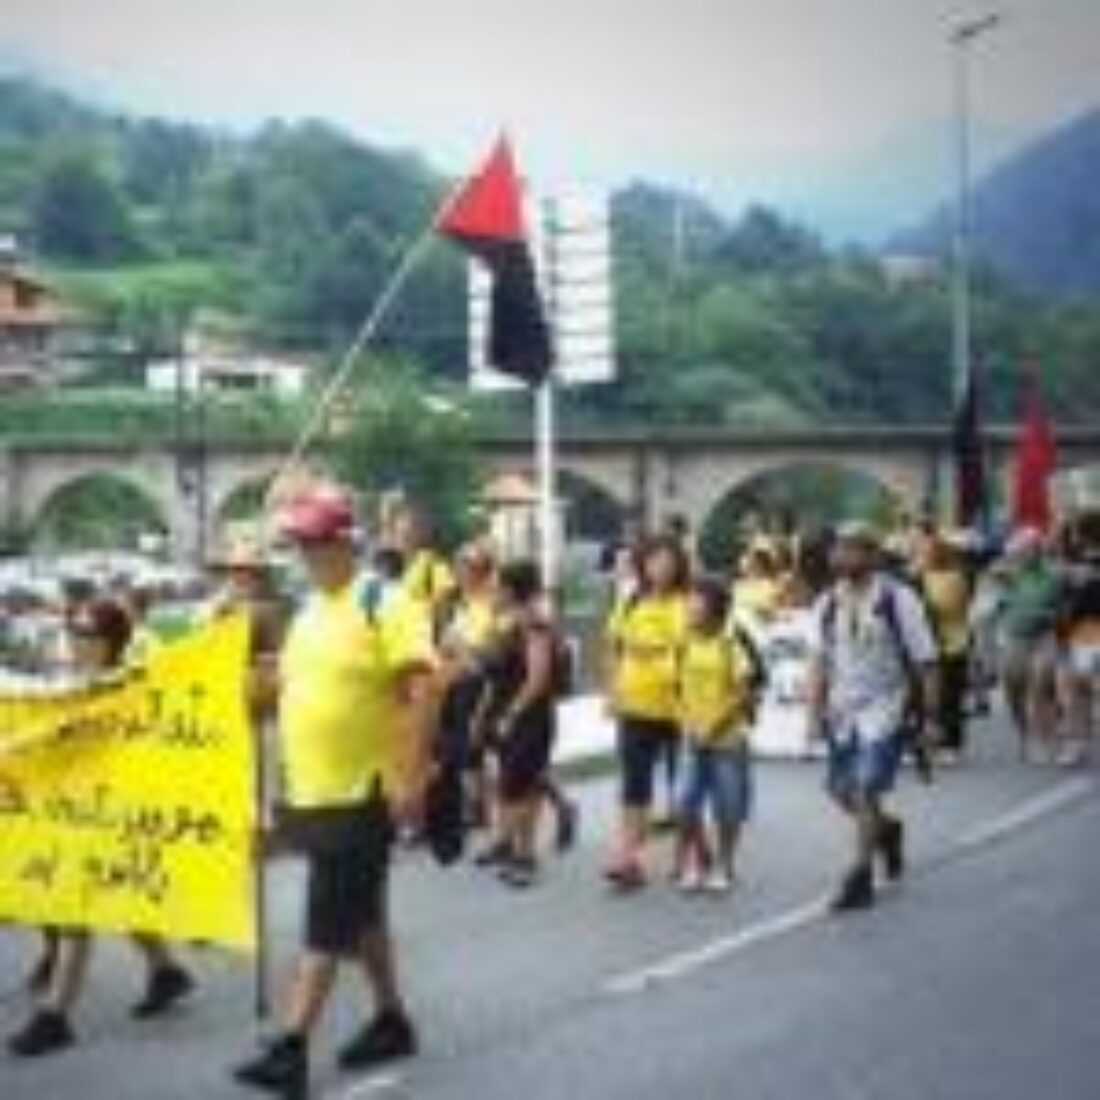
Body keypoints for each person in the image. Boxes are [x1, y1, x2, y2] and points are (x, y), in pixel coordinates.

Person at [234, 483, 436, 1097]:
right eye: (301, 543)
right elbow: (284, 691)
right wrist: (244, 677)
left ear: (346, 539)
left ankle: (292, 1047)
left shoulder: (384, 599)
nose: (309, 553)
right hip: (313, 792)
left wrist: (409, 776)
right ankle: (392, 1020)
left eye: (319, 540)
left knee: (325, 922)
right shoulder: (309, 612)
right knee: (362, 915)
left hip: (363, 791)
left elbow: (423, 690)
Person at [8, 598, 196, 1058]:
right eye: (74, 634)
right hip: (77, 811)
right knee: (118, 899)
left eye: (89, 637)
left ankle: (55, 1015)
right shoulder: (71, 683)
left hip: (114, 812)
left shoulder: (121, 687)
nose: (78, 644)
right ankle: (166, 970)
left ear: (112, 643)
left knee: (78, 908)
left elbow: (64, 731)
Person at [806, 522, 940, 913]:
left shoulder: (898, 600)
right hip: (842, 708)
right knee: (839, 789)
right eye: (838, 549)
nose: (841, 556)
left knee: (866, 787)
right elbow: (818, 662)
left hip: (887, 705)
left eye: (851, 549)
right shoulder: (827, 604)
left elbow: (927, 663)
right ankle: (887, 830)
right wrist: (813, 714)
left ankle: (860, 875)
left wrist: (930, 720)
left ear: (871, 555)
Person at [603, 534, 690, 889]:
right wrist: (612, 691)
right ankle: (629, 858)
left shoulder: (688, 602)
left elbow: (695, 647)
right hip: (635, 705)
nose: (661, 566)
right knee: (634, 783)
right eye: (654, 559)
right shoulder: (630, 600)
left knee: (682, 785)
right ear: (643, 563)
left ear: (679, 564)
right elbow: (612, 647)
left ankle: (689, 855)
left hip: (679, 707)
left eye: (668, 560)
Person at [472, 560, 563, 888]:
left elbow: (537, 678)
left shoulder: (535, 624)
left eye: (499, 584)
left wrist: (511, 714)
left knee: (520, 786)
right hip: (505, 714)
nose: (494, 589)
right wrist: (482, 713)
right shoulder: (508, 621)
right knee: (509, 782)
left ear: (512, 589)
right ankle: (509, 844)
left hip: (530, 718)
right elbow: (495, 675)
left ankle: (523, 855)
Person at [673, 577, 756, 895]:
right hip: (692, 739)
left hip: (727, 742)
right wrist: (686, 722)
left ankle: (724, 865)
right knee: (684, 803)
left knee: (727, 806)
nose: (691, 605)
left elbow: (745, 694)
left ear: (715, 608)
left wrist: (716, 725)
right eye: (690, 598)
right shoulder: (685, 643)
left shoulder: (730, 644)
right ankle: (698, 861)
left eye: (698, 599)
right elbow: (678, 689)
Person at [993, 528, 1065, 760]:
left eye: (1033, 548)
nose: (1028, 553)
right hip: (1014, 637)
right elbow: (992, 598)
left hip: (1044, 638)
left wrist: (1052, 615)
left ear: (1040, 551)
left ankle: (1047, 739)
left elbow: (1066, 606)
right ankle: (1023, 733)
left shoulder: (1055, 575)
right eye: (1024, 550)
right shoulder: (1007, 574)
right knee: (1012, 689)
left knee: (1040, 685)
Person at [916, 530, 975, 764]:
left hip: (952, 643)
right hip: (926, 643)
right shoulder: (921, 576)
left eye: (927, 552)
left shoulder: (955, 577)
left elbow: (945, 607)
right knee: (927, 696)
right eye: (922, 552)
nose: (923, 556)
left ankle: (952, 744)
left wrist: (920, 600)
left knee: (950, 696)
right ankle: (930, 741)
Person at [1054, 514, 1100, 767]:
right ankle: (1077, 742)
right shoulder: (1073, 562)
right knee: (1077, 688)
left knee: (1080, 687)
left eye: (1074, 532)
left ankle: (1078, 742)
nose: (1073, 538)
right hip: (1078, 630)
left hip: (1089, 630)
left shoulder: (1082, 564)